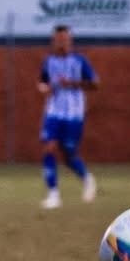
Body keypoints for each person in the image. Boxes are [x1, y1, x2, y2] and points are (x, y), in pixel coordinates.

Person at [37, 24, 99, 209]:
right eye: (58, 39)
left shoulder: (80, 61)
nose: (61, 42)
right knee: (49, 148)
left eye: (64, 39)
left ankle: (87, 179)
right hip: (54, 112)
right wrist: (43, 88)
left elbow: (95, 84)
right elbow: (42, 81)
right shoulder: (48, 61)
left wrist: (71, 83)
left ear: (70, 40)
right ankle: (53, 195)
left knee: (68, 155)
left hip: (74, 114)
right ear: (54, 41)